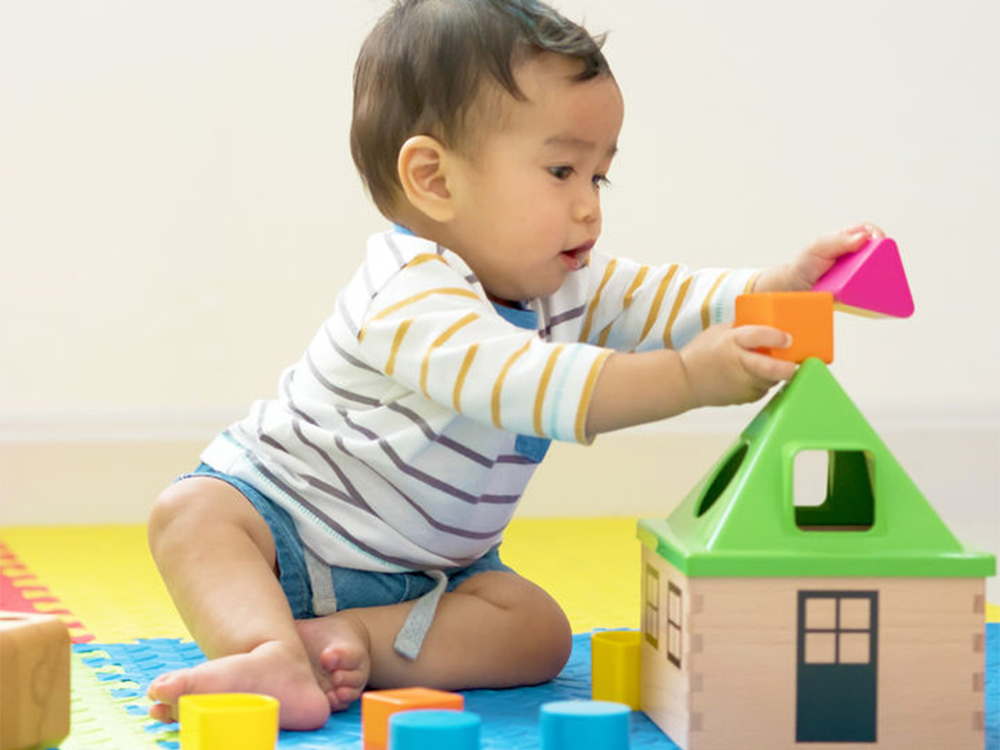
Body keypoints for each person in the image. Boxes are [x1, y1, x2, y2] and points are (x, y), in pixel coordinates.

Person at [145, 0, 883, 730]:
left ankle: (353, 640)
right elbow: (533, 386)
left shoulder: (562, 281)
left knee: (538, 633)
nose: (589, 207)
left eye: (599, 177)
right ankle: (268, 649)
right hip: (289, 528)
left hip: (436, 578)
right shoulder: (407, 293)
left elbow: (672, 297)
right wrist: (689, 379)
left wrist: (778, 286)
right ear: (436, 180)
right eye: (562, 170)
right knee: (194, 513)